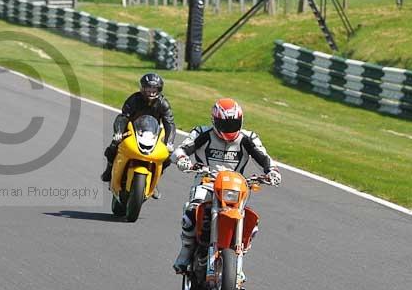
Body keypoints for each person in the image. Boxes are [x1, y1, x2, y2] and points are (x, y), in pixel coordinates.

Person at [171, 98, 282, 278]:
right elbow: (180, 150)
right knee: (192, 212)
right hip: (206, 182)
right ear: (214, 121)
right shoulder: (202, 133)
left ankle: (236, 263)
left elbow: (264, 158)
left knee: (251, 222)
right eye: (225, 123)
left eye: (234, 123)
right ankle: (185, 252)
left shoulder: (248, 138)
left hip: (236, 186)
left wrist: (272, 172)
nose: (230, 127)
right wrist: (183, 160)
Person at [100, 73, 176, 199]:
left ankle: (155, 181)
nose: (151, 92)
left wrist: (169, 142)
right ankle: (109, 171)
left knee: (167, 157)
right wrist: (118, 132)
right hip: (133, 129)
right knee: (114, 146)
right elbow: (123, 117)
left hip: (152, 133)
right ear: (142, 88)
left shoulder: (163, 103)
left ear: (159, 90)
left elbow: (170, 123)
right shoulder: (134, 99)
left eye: (154, 89)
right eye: (148, 88)